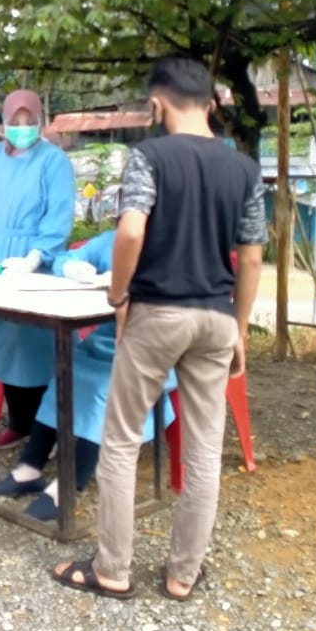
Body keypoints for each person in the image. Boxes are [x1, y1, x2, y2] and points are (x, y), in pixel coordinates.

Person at [52, 57, 265, 601]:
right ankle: (182, 575)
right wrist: (238, 327)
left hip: (157, 314)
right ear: (211, 102)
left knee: (121, 442)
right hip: (216, 318)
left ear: (157, 103)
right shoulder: (241, 167)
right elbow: (253, 256)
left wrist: (118, 293)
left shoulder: (149, 156)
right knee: (203, 450)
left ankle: (114, 570)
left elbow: (129, 233)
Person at [0, 229, 177, 521]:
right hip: (105, 339)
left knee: (101, 388)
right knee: (63, 375)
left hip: (149, 346)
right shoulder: (112, 239)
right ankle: (30, 467)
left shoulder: (174, 241)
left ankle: (69, 484)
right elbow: (65, 258)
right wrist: (74, 268)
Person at [0, 89, 74, 448]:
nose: (21, 128)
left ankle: (43, 431)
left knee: (33, 347)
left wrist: (34, 258)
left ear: (39, 121)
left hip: (34, 263)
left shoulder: (53, 161)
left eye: (28, 122)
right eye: (14, 122)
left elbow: (59, 218)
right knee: (2, 344)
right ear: (3, 122)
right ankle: (18, 421)